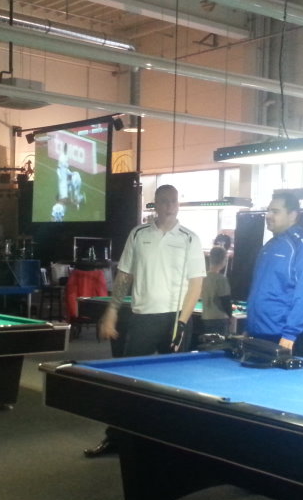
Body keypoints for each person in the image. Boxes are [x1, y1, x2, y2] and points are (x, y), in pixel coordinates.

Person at [85, 184, 206, 457]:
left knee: (176, 386)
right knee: (128, 380)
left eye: (173, 201)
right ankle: (116, 437)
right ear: (155, 204)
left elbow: (196, 285)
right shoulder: (138, 234)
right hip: (143, 318)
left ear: (178, 204)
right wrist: (112, 310)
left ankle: (172, 444)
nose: (169, 206)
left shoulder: (190, 238)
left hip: (175, 319)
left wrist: (183, 323)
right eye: (163, 201)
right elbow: (124, 275)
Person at [246, 191, 303, 357]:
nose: (268, 216)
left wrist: (290, 334)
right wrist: (250, 327)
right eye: (268, 211)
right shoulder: (269, 245)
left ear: (292, 215)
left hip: (288, 338)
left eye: (275, 211)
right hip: (259, 333)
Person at [200, 245, 232, 336]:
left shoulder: (203, 277)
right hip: (219, 319)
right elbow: (225, 301)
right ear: (224, 260)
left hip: (206, 317)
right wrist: (230, 315)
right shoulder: (221, 279)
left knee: (208, 342)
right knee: (221, 343)